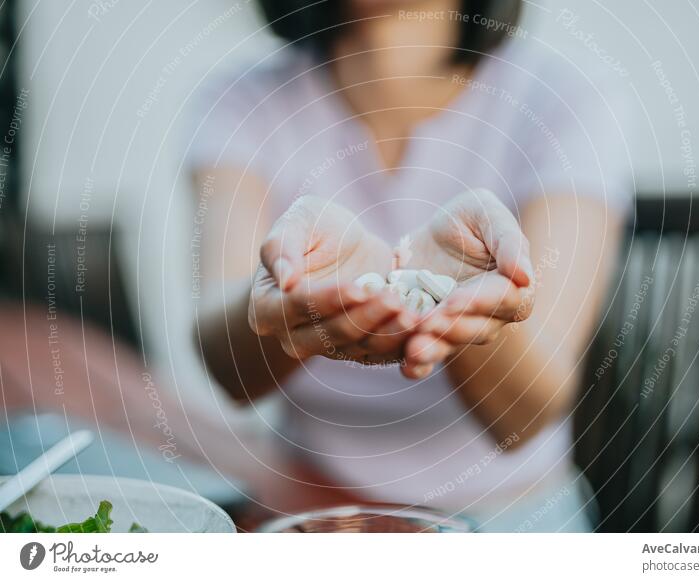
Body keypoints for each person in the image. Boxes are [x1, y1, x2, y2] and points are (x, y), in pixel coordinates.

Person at [187, 0, 630, 531]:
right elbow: (229, 370)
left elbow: (524, 417)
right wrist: (284, 300)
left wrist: (465, 306)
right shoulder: (245, 102)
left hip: (508, 521)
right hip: (316, 513)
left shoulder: (564, 100)